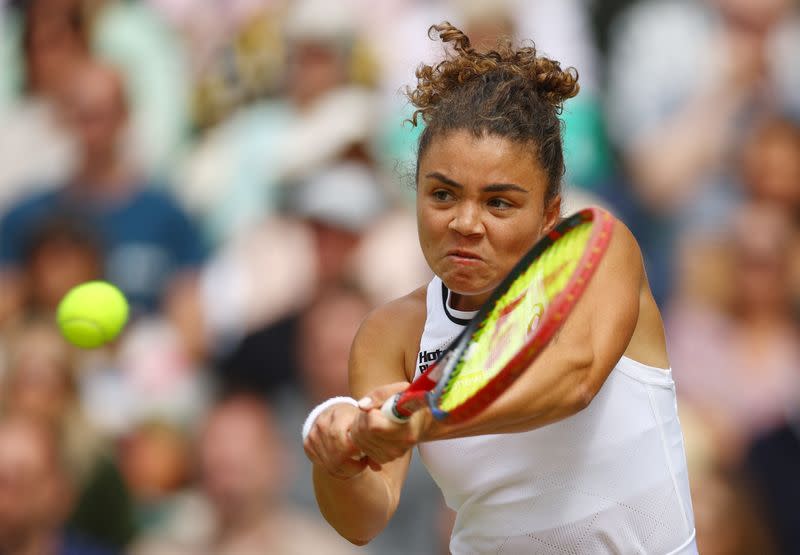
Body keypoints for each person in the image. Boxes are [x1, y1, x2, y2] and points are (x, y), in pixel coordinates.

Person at [303, 23, 697, 554]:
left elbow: (573, 380)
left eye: (499, 203)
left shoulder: (602, 250)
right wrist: (340, 461)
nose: (466, 223)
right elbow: (365, 519)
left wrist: (428, 415)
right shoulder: (389, 333)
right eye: (442, 194)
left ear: (548, 212)